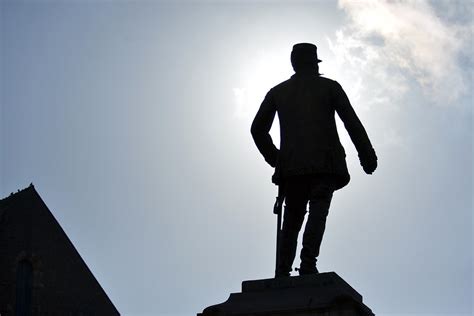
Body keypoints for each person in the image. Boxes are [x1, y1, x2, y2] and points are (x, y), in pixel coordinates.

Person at [251, 43, 377, 277]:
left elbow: (257, 130)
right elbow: (352, 122)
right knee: (317, 211)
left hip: (292, 168)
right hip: (324, 164)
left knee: (292, 220)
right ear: (314, 63)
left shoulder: (278, 92)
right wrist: (366, 154)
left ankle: (283, 269)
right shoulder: (329, 87)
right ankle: (308, 263)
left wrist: (276, 158)